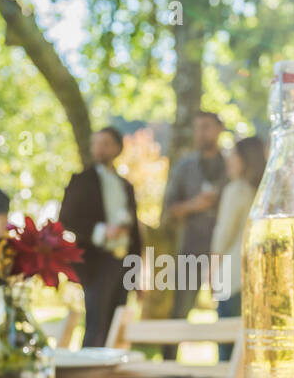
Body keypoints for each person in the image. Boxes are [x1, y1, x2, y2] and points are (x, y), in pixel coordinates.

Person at [60, 128, 143, 348]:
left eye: (105, 143)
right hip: (96, 261)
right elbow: (67, 218)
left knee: (118, 324)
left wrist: (136, 272)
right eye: (96, 143)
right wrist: (101, 230)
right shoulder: (82, 180)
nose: (99, 148)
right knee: (96, 324)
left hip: (123, 261)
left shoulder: (125, 185)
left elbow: (136, 232)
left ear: (117, 148)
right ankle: (89, 373)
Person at [162, 110, 226, 326]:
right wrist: (194, 205)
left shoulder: (231, 165)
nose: (201, 133)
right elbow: (169, 209)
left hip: (226, 248)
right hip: (191, 247)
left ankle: (230, 359)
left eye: (206, 127)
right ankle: (169, 360)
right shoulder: (184, 167)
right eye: (197, 128)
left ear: (219, 129)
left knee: (228, 310)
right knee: (179, 311)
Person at [210, 136, 266, 358]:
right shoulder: (264, 193)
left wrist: (213, 271)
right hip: (257, 276)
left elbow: (223, 235)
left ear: (244, 159)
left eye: (233, 154)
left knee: (228, 345)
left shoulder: (236, 190)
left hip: (232, 276)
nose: (229, 160)